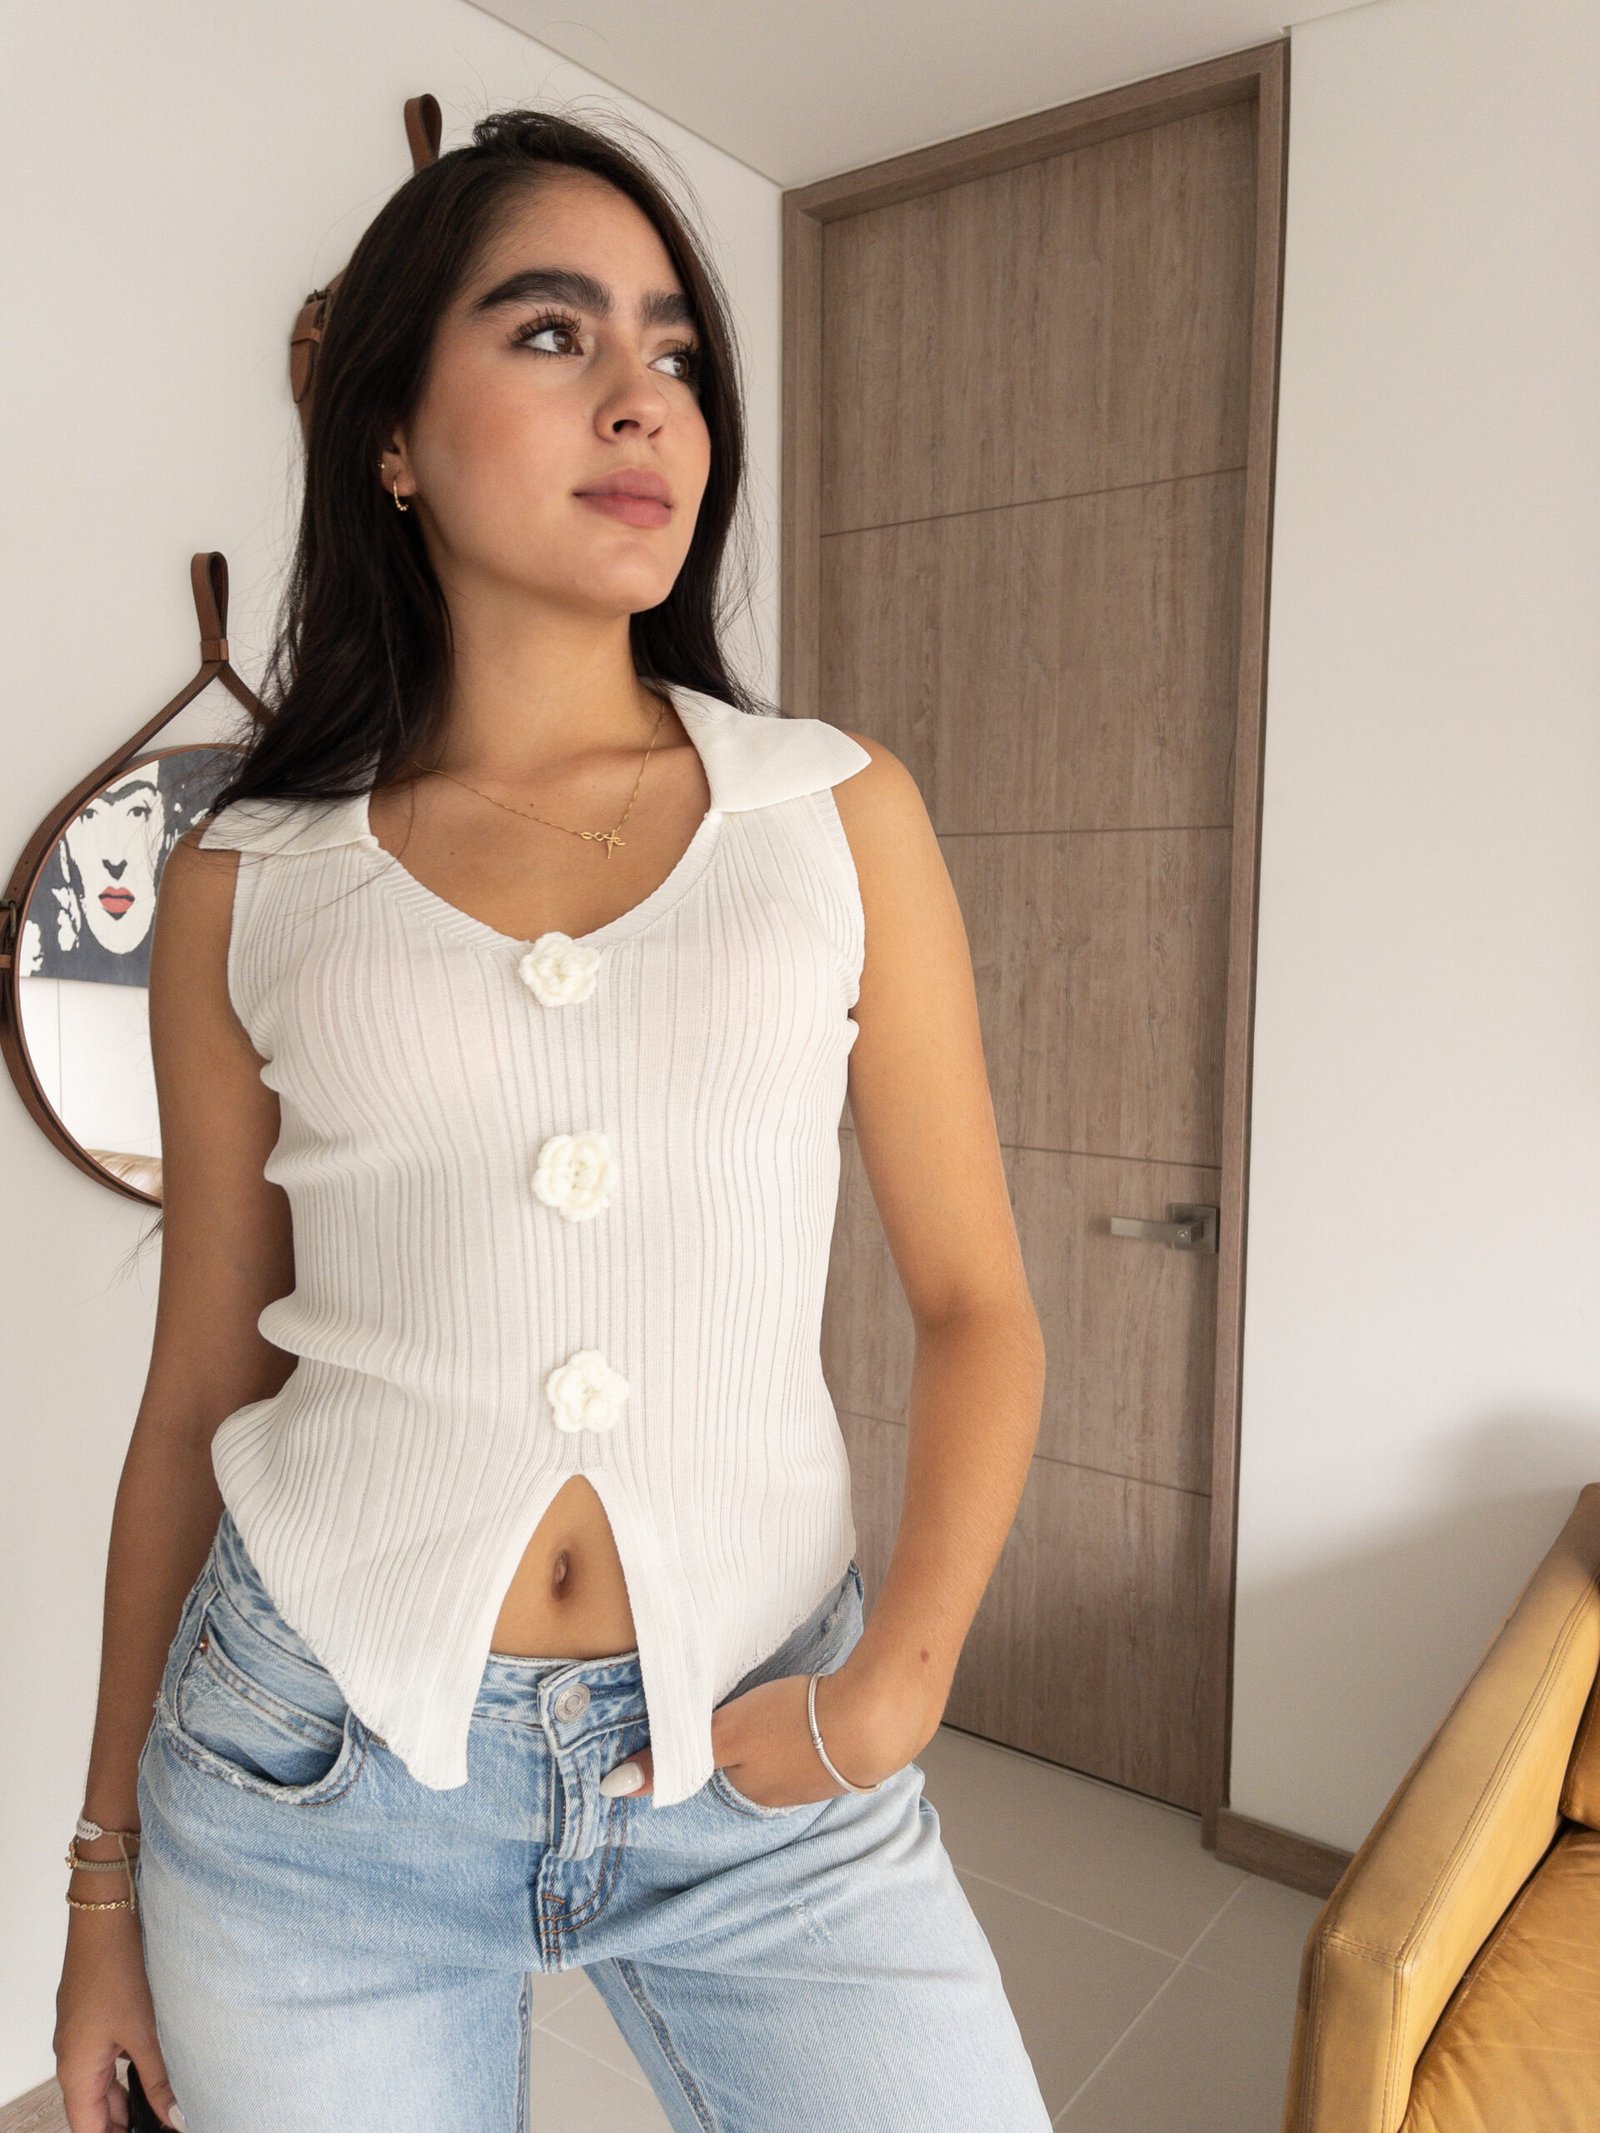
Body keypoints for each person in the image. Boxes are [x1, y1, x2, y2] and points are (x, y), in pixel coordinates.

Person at [52, 104, 1053, 2133]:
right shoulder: (248, 880)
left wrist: (894, 1686)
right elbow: (197, 1396)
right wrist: (99, 1882)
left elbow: (976, 1304)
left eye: (674, 350)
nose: (642, 397)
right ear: (389, 438)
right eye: (549, 331)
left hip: (765, 1758)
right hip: (311, 1777)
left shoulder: (829, 813)